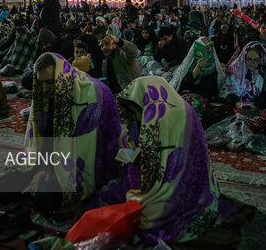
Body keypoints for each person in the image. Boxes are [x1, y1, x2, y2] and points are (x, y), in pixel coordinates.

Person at [91, 76, 222, 244]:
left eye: (137, 110)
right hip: (163, 172)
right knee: (116, 189)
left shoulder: (172, 115)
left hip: (182, 182)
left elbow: (173, 158)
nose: (137, 116)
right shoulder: (155, 113)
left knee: (143, 211)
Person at [0, 52, 121, 210]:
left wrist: (56, 171)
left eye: (50, 82)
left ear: (62, 76)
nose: (45, 88)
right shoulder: (43, 94)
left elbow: (89, 150)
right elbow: (39, 140)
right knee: (1, 187)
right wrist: (40, 169)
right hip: (45, 161)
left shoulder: (94, 94)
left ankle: (40, 190)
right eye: (41, 82)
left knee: (44, 199)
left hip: (76, 168)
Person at [169, 36, 225, 120]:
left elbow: (214, 90)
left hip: (203, 101)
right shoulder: (190, 65)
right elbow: (183, 85)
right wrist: (197, 68)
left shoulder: (214, 67)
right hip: (187, 98)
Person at [220, 41, 266, 114]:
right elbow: (227, 93)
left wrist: (257, 106)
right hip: (236, 107)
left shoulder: (264, 72)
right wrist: (236, 103)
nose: (252, 63)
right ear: (244, 57)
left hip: (257, 108)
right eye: (249, 59)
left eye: (256, 60)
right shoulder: (235, 70)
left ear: (260, 59)